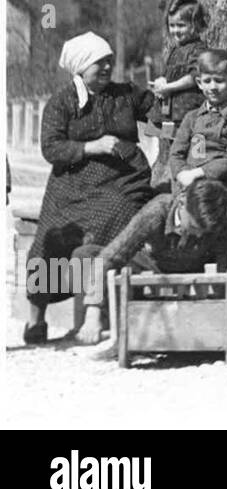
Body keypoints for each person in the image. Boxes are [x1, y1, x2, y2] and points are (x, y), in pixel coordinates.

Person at [69, 179, 227, 357]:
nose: (194, 234)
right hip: (152, 267)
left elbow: (225, 271)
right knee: (86, 256)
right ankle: (100, 334)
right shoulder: (157, 211)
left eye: (202, 232)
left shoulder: (222, 221)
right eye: (192, 226)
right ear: (182, 202)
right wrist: (93, 309)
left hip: (195, 273)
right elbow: (112, 255)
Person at [25, 32, 157, 344]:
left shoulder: (124, 94)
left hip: (123, 180)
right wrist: (93, 146)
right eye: (101, 63)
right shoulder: (62, 102)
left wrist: (163, 120)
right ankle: (36, 320)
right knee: (47, 241)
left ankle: (97, 311)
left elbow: (155, 109)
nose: (108, 67)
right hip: (71, 185)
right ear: (82, 66)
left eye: (110, 61)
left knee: (109, 220)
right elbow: (51, 148)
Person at [168, 49, 227, 199]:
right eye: (207, 81)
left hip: (220, 192)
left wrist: (198, 173)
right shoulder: (191, 118)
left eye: (219, 80)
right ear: (199, 83)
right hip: (188, 190)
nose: (212, 87)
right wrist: (182, 174)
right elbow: (176, 153)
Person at [147, 0, 209, 188]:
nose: (175, 31)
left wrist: (169, 87)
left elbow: (194, 76)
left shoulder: (199, 50)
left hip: (187, 111)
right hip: (169, 113)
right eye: (172, 26)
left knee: (191, 149)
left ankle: (191, 184)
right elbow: (171, 75)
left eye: (181, 25)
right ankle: (171, 179)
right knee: (171, 147)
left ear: (196, 25)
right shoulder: (175, 50)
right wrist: (162, 81)